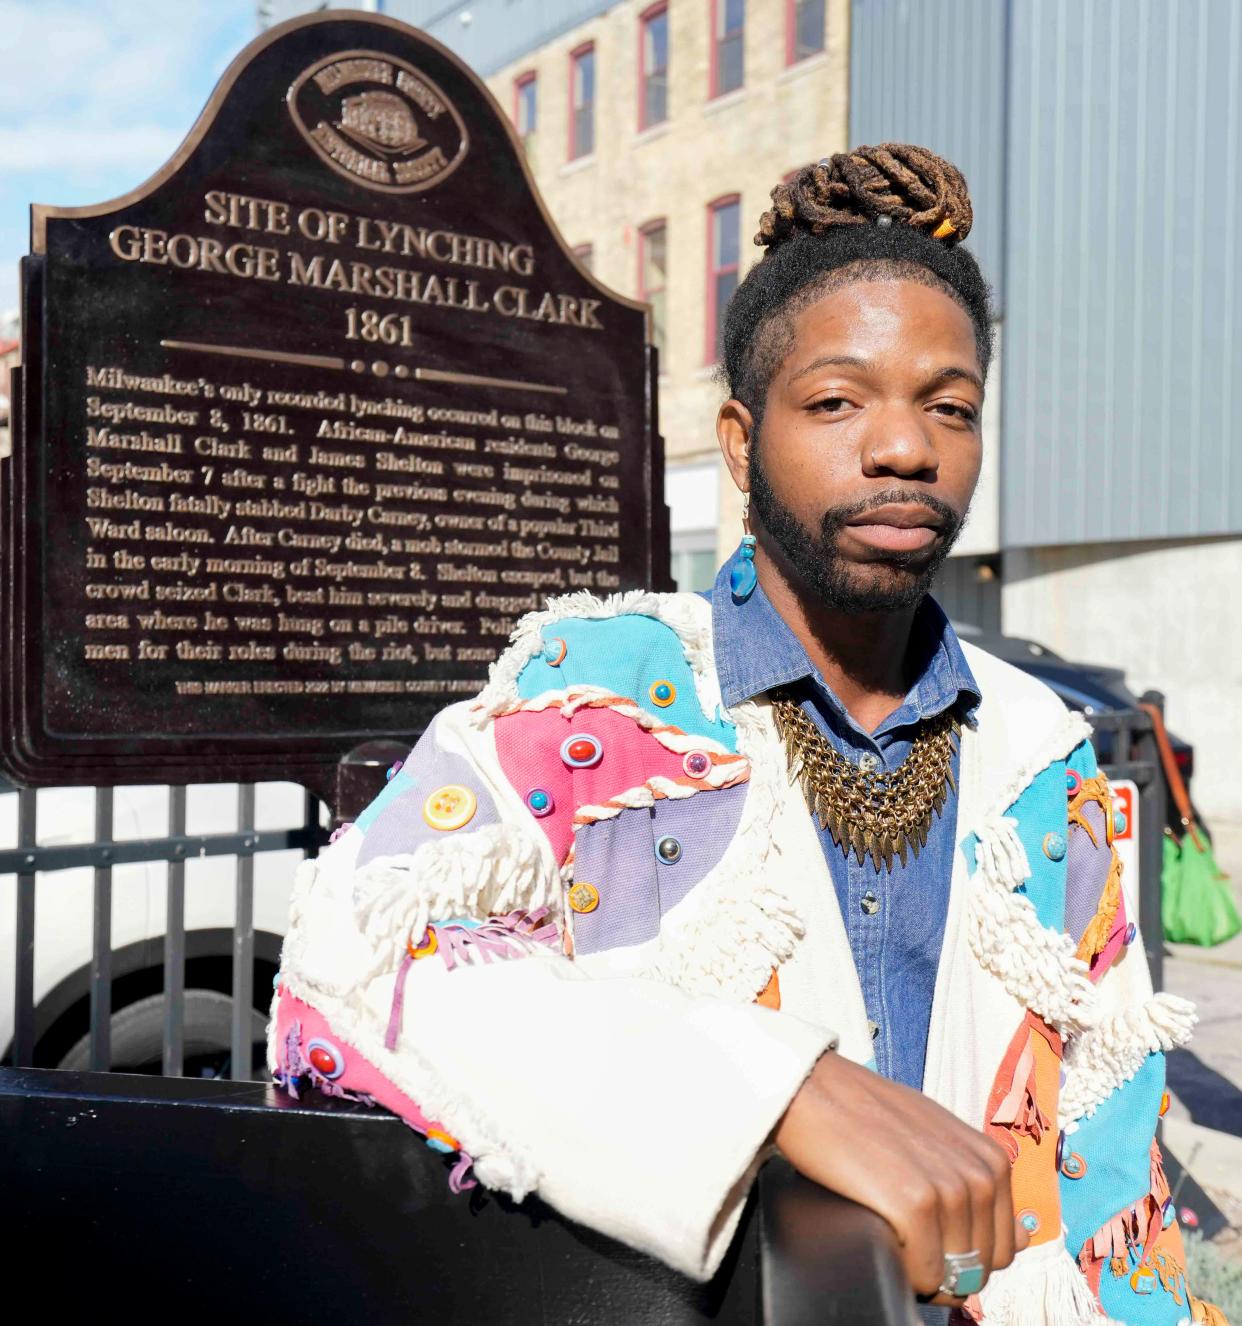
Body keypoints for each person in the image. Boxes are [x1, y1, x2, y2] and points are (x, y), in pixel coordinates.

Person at [270, 145, 1225, 1326]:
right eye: (836, 401)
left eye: (952, 406)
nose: (905, 449)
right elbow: (345, 969)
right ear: (737, 441)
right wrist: (779, 1094)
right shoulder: (612, 694)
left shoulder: (1038, 742)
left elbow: (1110, 1140)